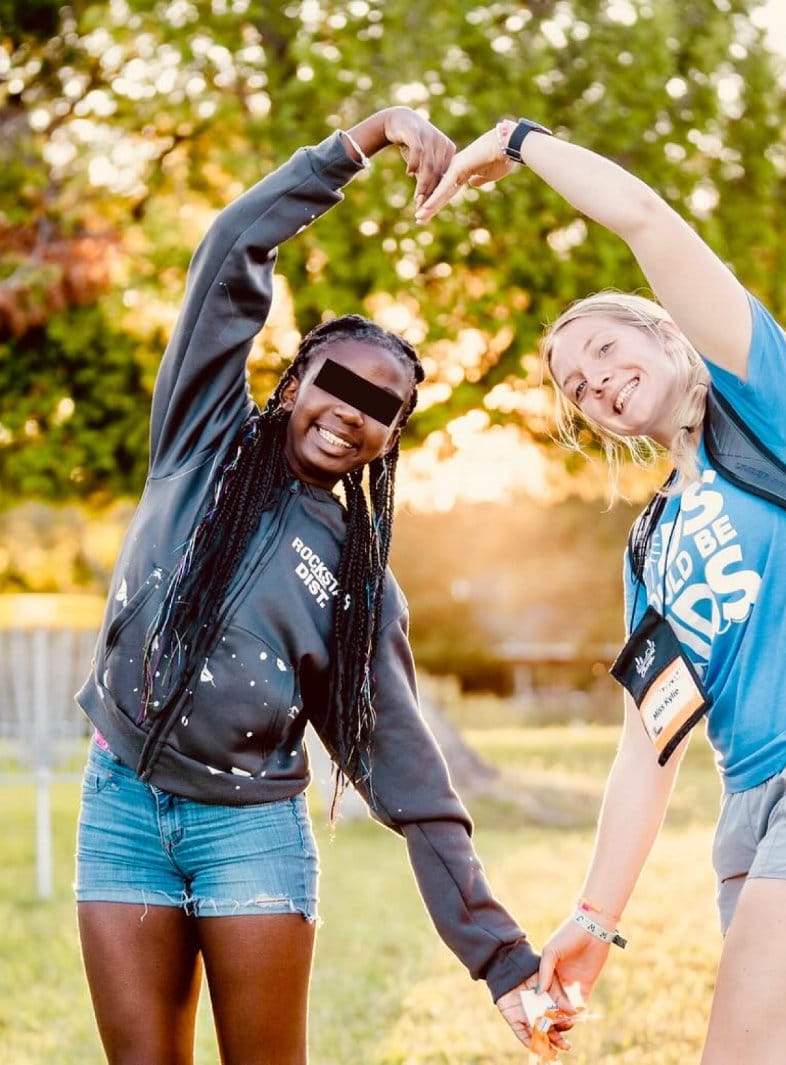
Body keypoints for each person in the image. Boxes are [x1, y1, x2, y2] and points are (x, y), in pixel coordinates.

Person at [416, 120, 786, 1064]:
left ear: (665, 333)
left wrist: (516, 141)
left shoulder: (767, 405)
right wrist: (594, 915)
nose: (598, 383)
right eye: (577, 387)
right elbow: (648, 748)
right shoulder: (651, 544)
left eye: (605, 351)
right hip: (755, 812)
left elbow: (646, 219)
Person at [73, 107, 568, 1064]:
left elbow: (413, 781)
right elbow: (229, 250)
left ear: (390, 441)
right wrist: (363, 141)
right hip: (122, 801)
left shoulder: (356, 582)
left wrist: (502, 957)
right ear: (297, 375)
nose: (354, 414)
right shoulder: (200, 436)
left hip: (249, 831)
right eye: (341, 382)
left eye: (384, 410)